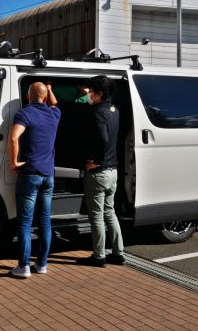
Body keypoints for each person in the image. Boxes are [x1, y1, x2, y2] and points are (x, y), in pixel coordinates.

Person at [9, 81, 60, 278]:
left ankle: (23, 267)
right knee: (45, 221)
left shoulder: (24, 114)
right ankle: (42, 264)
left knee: (24, 222)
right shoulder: (54, 114)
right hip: (48, 175)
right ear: (45, 97)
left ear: (28, 96)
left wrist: (14, 162)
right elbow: (54, 103)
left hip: (29, 174)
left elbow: (14, 138)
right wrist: (50, 89)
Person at [77, 75, 125, 268]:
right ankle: (118, 253)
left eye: (91, 90)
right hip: (113, 171)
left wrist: (95, 161)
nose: (88, 93)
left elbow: (103, 140)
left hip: (99, 173)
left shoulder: (97, 112)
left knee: (96, 215)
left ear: (100, 93)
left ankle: (99, 256)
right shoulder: (114, 110)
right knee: (110, 212)